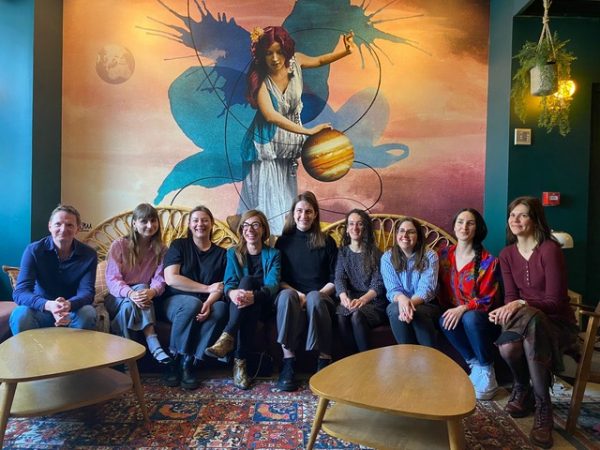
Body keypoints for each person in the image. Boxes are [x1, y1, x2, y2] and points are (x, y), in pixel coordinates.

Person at [238, 26, 356, 234]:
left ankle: (283, 242)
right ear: (262, 55)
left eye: (279, 52)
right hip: (265, 146)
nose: (275, 58)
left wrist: (345, 51)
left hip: (287, 145)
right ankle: (266, 241)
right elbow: (271, 116)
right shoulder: (262, 82)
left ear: (286, 50)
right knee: (269, 203)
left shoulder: (296, 62)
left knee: (286, 197)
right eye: (269, 53)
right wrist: (308, 132)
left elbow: (319, 60)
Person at [489, 196, 578, 449]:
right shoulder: (506, 254)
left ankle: (543, 408)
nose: (515, 219)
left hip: (557, 323)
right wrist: (505, 310)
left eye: (522, 215)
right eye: (512, 215)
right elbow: (510, 297)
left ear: (535, 219)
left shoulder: (550, 250)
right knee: (508, 347)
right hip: (524, 322)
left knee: (534, 319)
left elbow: (555, 302)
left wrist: (520, 304)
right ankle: (522, 387)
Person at [204, 210, 281, 390]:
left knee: (248, 282)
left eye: (255, 225)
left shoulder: (274, 254)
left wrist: (254, 296)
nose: (250, 229)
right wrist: (232, 293)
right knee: (246, 286)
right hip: (239, 303)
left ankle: (228, 337)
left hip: (264, 303)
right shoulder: (233, 253)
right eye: (246, 225)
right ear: (241, 230)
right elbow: (230, 281)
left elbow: (273, 285)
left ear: (263, 229)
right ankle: (240, 363)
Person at [274, 191, 337, 391]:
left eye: (309, 211)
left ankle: (323, 360)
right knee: (286, 296)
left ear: (315, 214)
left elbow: (335, 279)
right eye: (299, 211)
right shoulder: (283, 242)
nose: (304, 216)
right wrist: (299, 295)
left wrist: (313, 295)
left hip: (322, 296)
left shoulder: (327, 241)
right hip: (292, 294)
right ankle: (288, 362)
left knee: (315, 298)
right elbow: (279, 279)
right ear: (293, 213)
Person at [160, 205, 227, 390]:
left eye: (205, 220)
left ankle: (190, 362)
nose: (200, 224)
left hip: (205, 301)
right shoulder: (179, 245)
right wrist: (206, 289)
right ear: (189, 225)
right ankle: (174, 359)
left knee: (221, 308)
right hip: (175, 302)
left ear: (212, 224)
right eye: (195, 220)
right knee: (192, 303)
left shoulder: (222, 254)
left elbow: (221, 286)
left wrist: (209, 302)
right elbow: (171, 278)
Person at [438, 208, 501, 400]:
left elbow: (488, 298)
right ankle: (475, 364)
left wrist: (463, 308)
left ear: (477, 228)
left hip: (482, 318)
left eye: (470, 223)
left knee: (470, 318)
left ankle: (488, 370)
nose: (464, 227)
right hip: (453, 314)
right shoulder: (443, 255)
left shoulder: (488, 261)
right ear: (454, 226)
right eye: (460, 222)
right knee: (444, 319)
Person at [10, 204, 97, 334]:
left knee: (88, 312)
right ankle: (30, 348)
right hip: (42, 310)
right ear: (50, 226)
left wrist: (69, 304)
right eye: (58, 224)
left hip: (72, 312)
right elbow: (21, 292)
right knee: (20, 314)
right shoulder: (33, 250)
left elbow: (87, 292)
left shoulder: (89, 255)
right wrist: (49, 305)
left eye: (69, 225)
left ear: (78, 229)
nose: (63, 229)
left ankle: (76, 347)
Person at [104, 203, 171, 365]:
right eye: (144, 221)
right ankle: (153, 341)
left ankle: (127, 360)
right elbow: (112, 279)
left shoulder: (162, 250)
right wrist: (130, 293)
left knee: (132, 303)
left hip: (141, 298)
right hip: (116, 297)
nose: (150, 225)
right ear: (134, 223)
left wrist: (152, 292)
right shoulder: (119, 245)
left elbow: (160, 278)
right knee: (140, 288)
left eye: (153, 221)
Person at [381, 217, 440, 347]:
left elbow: (426, 289)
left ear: (418, 236)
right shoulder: (387, 258)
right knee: (394, 309)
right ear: (396, 234)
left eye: (411, 232)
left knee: (417, 312)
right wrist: (402, 300)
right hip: (399, 303)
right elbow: (392, 289)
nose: (405, 235)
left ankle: (429, 354)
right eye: (401, 231)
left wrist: (408, 305)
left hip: (426, 304)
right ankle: (407, 354)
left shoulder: (430, 256)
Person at [335, 209, 386, 354]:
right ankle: (350, 360)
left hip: (373, 302)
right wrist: (343, 297)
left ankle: (366, 359)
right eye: (351, 224)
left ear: (366, 228)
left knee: (356, 315)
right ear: (347, 229)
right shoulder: (342, 252)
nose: (355, 228)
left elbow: (378, 284)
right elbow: (339, 277)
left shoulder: (376, 253)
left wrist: (363, 300)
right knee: (341, 316)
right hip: (351, 300)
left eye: (360, 224)